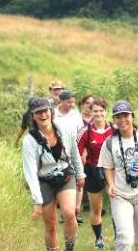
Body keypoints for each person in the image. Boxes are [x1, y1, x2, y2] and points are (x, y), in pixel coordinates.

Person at [98, 100, 138, 251]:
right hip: (120, 195)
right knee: (124, 238)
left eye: (125, 115)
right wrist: (111, 184)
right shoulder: (109, 143)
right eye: (118, 117)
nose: (122, 120)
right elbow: (107, 167)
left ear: (132, 117)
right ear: (114, 120)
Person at [22, 97, 85, 251]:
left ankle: (69, 248)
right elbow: (30, 171)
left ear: (51, 111)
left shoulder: (65, 129)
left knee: (70, 213)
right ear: (33, 116)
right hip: (44, 180)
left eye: (45, 111)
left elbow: (74, 153)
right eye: (39, 112)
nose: (43, 115)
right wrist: (37, 201)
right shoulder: (29, 141)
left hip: (65, 176)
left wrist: (80, 174)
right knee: (50, 224)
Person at [77, 98, 114, 249]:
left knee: (117, 205)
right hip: (93, 171)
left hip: (112, 171)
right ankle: (99, 238)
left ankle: (120, 236)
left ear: (106, 111)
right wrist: (80, 173)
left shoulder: (114, 128)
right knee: (96, 208)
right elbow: (76, 153)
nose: (98, 113)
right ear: (90, 112)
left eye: (101, 110)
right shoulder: (85, 131)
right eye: (95, 111)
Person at [53, 90, 85, 223]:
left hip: (74, 149)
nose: (72, 104)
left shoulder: (76, 114)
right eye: (69, 101)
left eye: (73, 101)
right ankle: (64, 210)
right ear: (61, 101)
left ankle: (75, 210)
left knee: (77, 180)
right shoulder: (53, 114)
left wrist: (81, 149)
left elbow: (81, 131)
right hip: (58, 155)